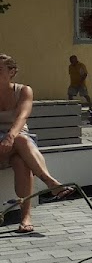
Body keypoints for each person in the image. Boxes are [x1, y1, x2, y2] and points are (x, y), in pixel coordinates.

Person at [1, 54, 77, 233]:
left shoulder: (23, 91)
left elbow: (23, 116)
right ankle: (50, 183)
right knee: (21, 141)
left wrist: (10, 136)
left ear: (12, 72)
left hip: (18, 140)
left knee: (21, 161)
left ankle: (26, 218)